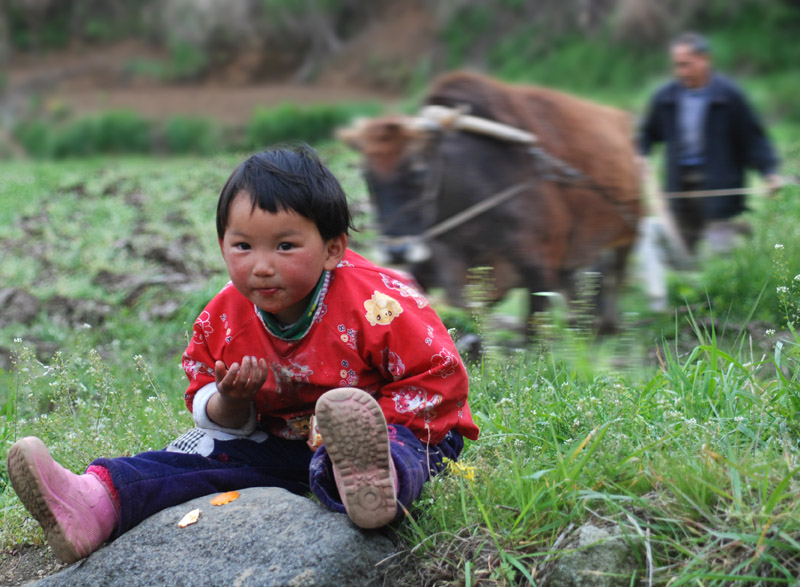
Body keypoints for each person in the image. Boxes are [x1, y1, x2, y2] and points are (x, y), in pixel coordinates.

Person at [6, 145, 480, 564]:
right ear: (222, 246)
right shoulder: (224, 319)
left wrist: (368, 419)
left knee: (401, 451)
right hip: (282, 445)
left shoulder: (378, 304)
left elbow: (440, 378)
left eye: (286, 246)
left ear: (333, 248)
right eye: (243, 246)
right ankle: (93, 504)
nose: (262, 266)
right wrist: (230, 401)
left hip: (403, 431)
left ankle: (374, 485)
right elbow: (202, 393)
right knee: (196, 458)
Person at [638, 31, 782, 256]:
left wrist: (769, 172)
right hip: (679, 185)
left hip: (719, 185)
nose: (681, 72)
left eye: (686, 64)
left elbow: (753, 139)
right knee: (681, 254)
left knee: (721, 256)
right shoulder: (666, 98)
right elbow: (648, 135)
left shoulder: (730, 96)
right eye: (677, 65)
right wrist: (639, 156)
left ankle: (725, 274)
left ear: (705, 60)